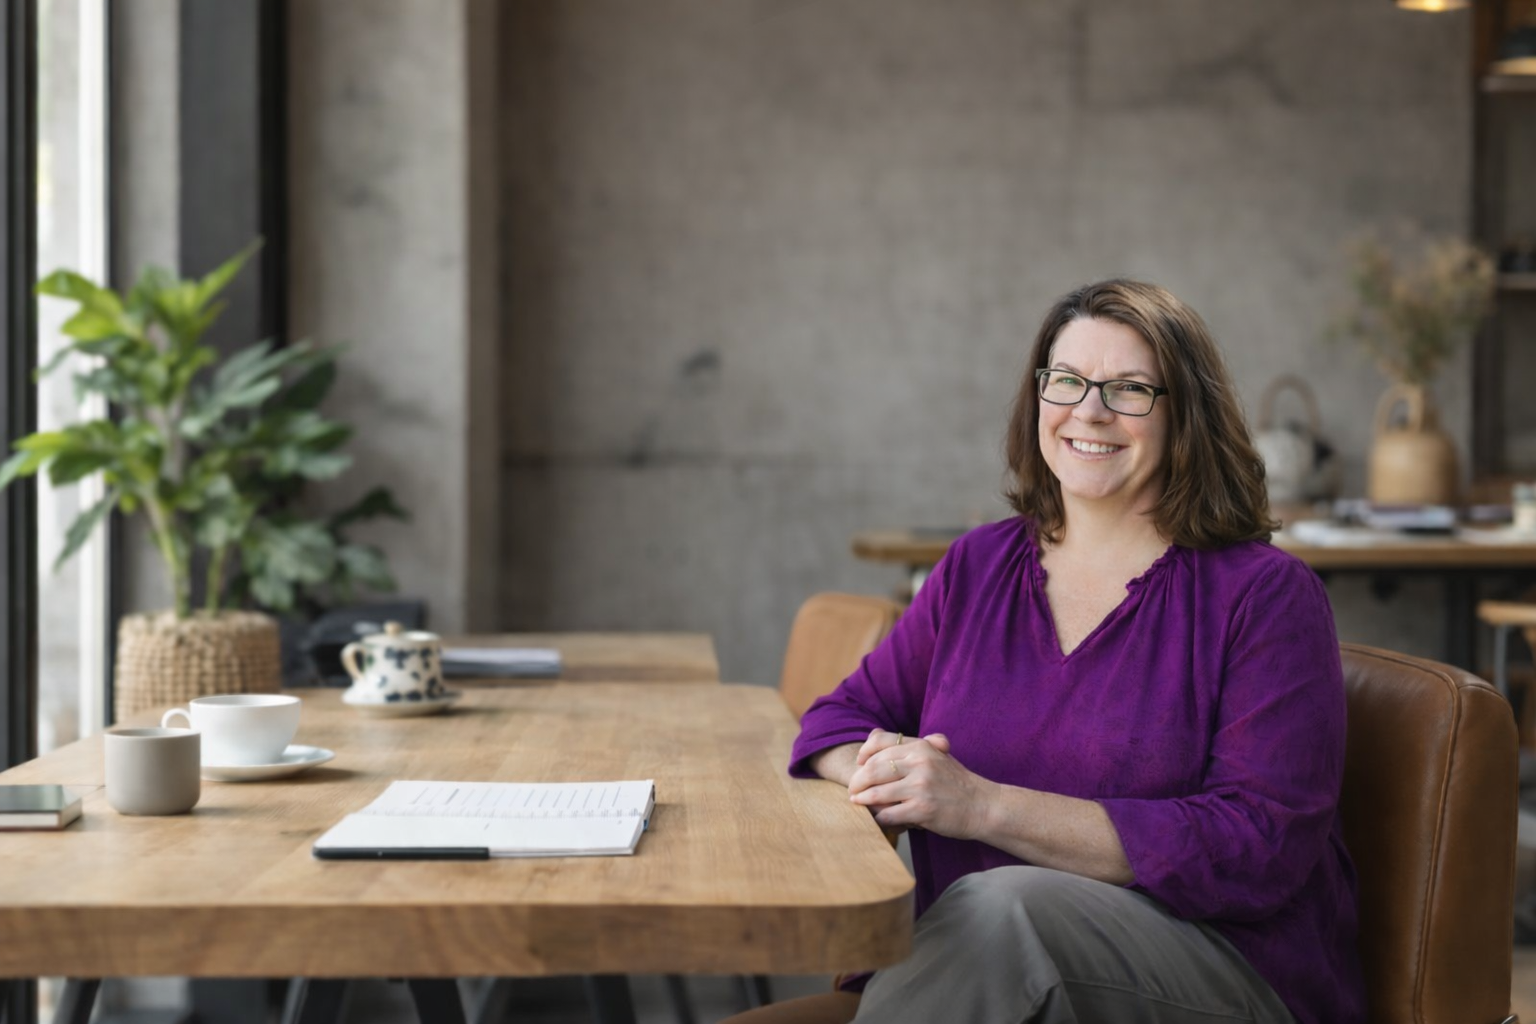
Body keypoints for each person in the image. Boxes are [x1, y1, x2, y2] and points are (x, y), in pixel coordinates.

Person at [791, 279, 1364, 1024]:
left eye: (1129, 390)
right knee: (996, 923)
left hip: (1227, 973)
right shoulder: (977, 568)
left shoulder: (1266, 596)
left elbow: (1257, 846)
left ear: (1183, 413)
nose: (1088, 411)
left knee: (1007, 913)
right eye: (1066, 381)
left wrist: (982, 805)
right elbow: (833, 722)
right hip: (979, 976)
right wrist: (892, 773)